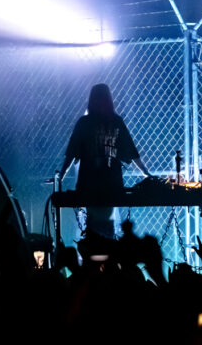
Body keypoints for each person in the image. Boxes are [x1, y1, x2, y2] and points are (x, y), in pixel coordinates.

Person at [58, 83, 151, 238]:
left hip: (90, 184)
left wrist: (61, 175)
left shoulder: (85, 123)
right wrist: (145, 172)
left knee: (95, 223)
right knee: (104, 221)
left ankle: (95, 245)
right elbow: (131, 150)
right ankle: (105, 245)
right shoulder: (115, 121)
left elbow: (72, 153)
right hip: (110, 184)